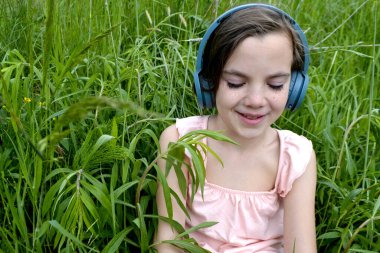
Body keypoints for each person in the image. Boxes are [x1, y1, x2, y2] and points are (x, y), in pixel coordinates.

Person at [155, 3, 317, 253]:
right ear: (209, 83)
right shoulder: (181, 142)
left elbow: (301, 248)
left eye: (275, 85)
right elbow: (168, 239)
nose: (255, 100)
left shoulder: (294, 157)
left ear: (294, 87)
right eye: (235, 83)